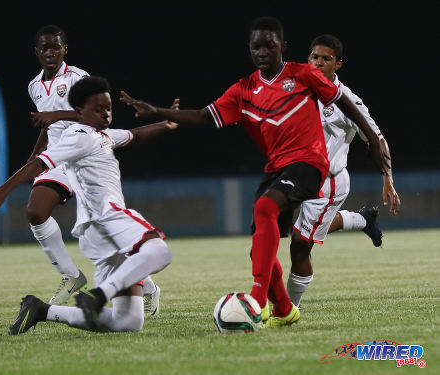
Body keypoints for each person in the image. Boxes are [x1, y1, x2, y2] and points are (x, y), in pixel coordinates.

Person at [119, 17, 390, 328]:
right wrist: (158, 111)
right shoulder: (244, 90)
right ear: (249, 49)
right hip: (277, 168)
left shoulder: (302, 74)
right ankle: (285, 309)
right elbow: (204, 116)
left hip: (310, 163)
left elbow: (341, 99)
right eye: (255, 46)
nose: (262, 51)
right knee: (260, 247)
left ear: (282, 48)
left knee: (266, 209)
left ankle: (257, 300)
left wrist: (370, 138)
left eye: (269, 46)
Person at [0, 76, 174, 333]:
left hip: (96, 233)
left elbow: (135, 136)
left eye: (108, 107)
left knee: (128, 322)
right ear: (79, 112)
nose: (105, 113)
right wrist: (1, 192)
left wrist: (167, 123)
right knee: (160, 252)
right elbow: (40, 162)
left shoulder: (100, 135)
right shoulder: (80, 136)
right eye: (98, 108)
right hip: (109, 217)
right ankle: (100, 295)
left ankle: (42, 310)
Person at [26, 25, 162, 313]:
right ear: (37, 52)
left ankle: (148, 287)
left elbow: (96, 114)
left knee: (105, 233)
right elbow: (46, 124)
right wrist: (34, 156)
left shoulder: (78, 77)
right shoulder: (34, 85)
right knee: (35, 211)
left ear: (65, 50)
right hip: (58, 158)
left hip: (87, 154)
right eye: (45, 48)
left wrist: (55, 115)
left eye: (56, 47)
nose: (51, 52)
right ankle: (71, 275)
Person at [284, 34, 401, 309]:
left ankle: (290, 308)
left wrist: (388, 179)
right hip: (295, 176)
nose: (318, 63)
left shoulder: (347, 101)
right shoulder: (296, 88)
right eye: (314, 57)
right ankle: (362, 220)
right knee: (273, 226)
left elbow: (378, 139)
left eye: (326, 59)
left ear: (338, 64)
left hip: (327, 183)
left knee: (300, 244)